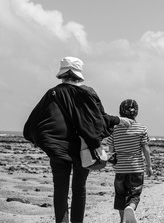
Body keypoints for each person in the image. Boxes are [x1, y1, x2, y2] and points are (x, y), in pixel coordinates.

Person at [23, 57, 131, 223]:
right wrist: (118, 120)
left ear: (63, 73)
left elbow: (33, 125)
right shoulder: (88, 92)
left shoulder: (52, 93)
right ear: (78, 73)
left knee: (60, 190)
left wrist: (46, 143)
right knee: (79, 188)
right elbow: (98, 120)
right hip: (84, 150)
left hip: (58, 151)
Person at [107, 99, 153, 223]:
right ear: (136, 112)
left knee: (120, 195)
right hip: (136, 168)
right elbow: (145, 148)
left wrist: (113, 160)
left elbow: (111, 149)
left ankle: (122, 220)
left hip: (120, 169)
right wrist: (149, 166)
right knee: (134, 194)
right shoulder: (141, 128)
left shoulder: (114, 129)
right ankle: (130, 208)